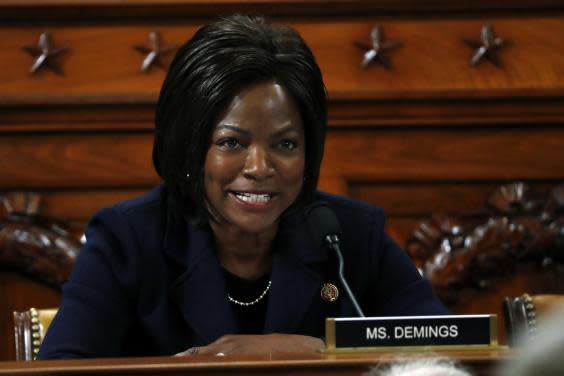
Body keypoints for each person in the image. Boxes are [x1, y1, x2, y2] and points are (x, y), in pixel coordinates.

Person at [38, 14, 447, 359]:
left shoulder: (348, 237)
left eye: (285, 144)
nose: (259, 167)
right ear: (190, 147)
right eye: (231, 143)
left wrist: (308, 351)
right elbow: (63, 368)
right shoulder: (128, 241)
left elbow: (451, 347)